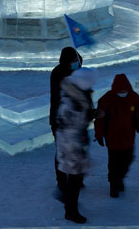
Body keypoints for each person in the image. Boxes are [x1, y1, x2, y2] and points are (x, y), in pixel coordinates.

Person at [55, 68, 97, 224]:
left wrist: (93, 113)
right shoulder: (71, 103)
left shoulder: (76, 94)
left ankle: (67, 198)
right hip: (72, 146)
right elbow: (72, 127)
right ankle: (70, 211)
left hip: (75, 143)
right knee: (75, 179)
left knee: (76, 178)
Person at [94, 73, 139, 198]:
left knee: (127, 160)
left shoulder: (134, 98)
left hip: (128, 137)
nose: (122, 91)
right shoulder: (106, 99)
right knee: (113, 163)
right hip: (113, 139)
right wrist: (99, 135)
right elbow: (99, 120)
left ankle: (119, 178)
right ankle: (114, 184)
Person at [50, 47, 83, 194]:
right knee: (63, 152)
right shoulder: (58, 74)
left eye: (77, 61)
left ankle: (76, 179)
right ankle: (62, 182)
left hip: (76, 120)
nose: (76, 63)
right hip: (61, 120)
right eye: (73, 61)